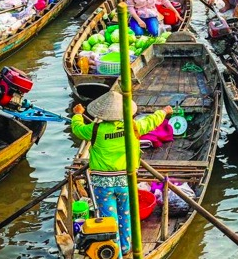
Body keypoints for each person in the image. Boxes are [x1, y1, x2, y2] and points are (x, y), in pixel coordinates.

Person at [71, 92, 172, 258]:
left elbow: (77, 129)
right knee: (126, 215)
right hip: (126, 181)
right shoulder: (133, 126)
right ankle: (125, 247)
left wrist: (77, 115)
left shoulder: (95, 129)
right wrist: (164, 111)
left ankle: (116, 253)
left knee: (110, 219)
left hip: (102, 184)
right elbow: (152, 121)